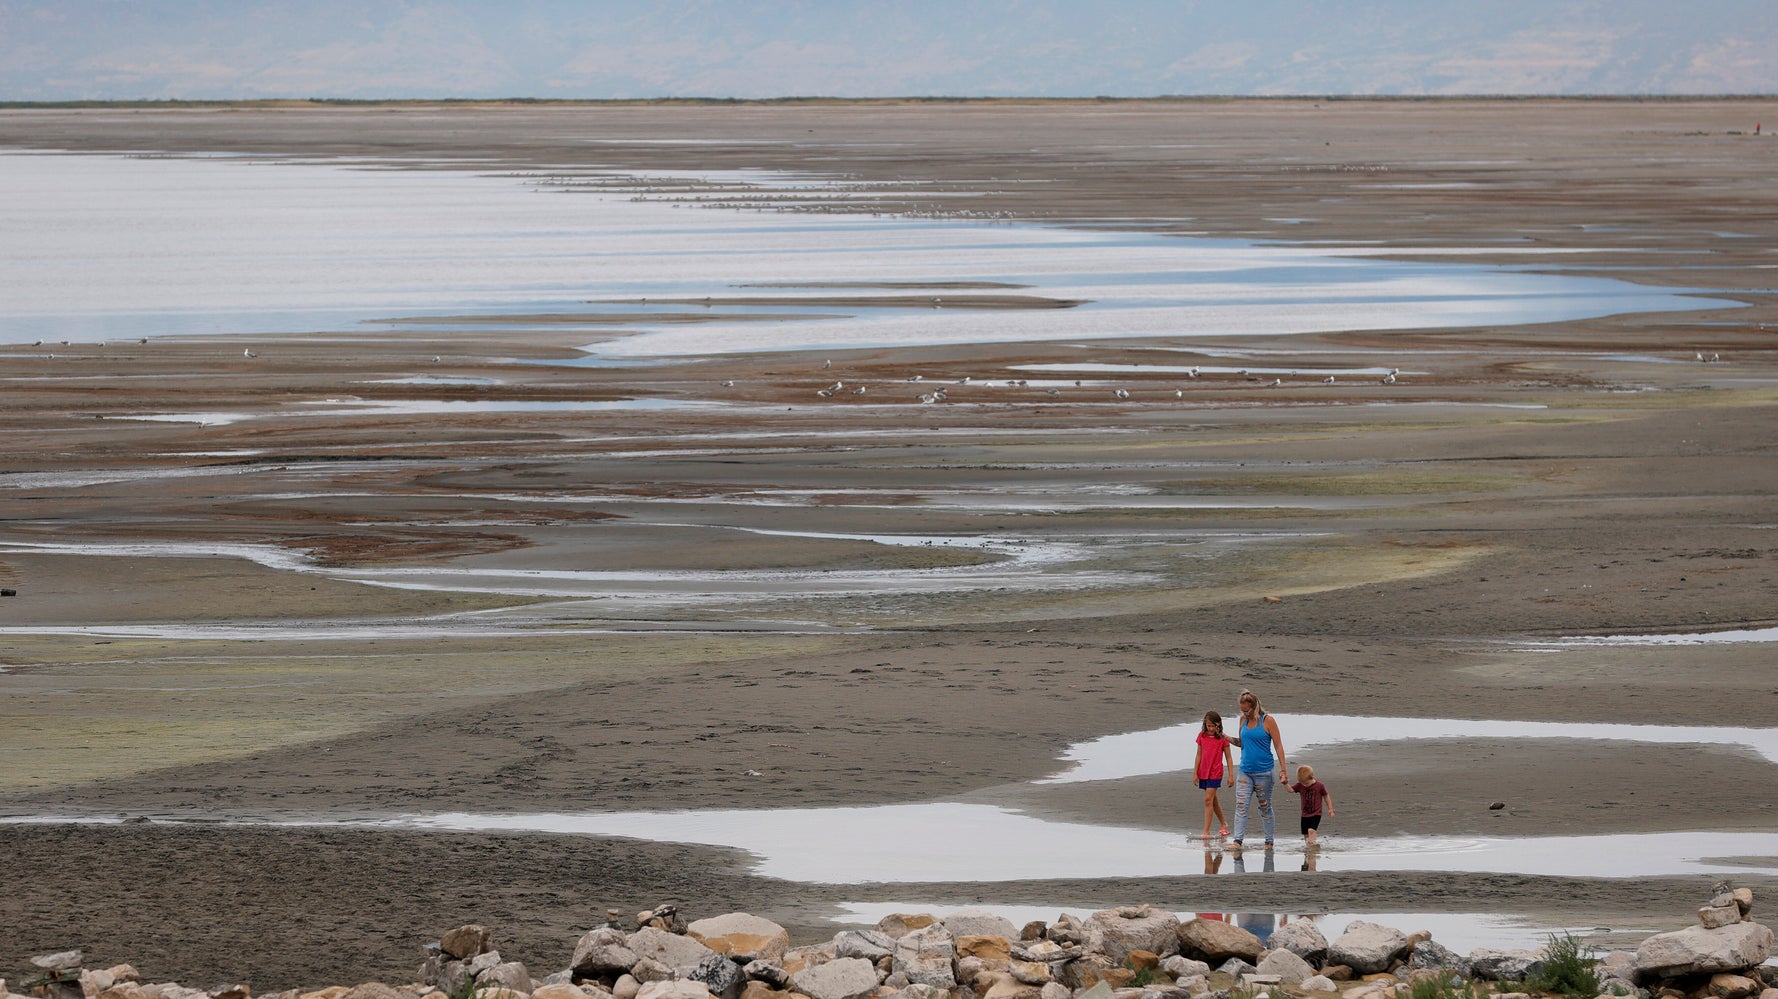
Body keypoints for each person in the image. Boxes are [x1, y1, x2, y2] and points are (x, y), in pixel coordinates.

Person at [1231, 688, 1288, 848]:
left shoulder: (1267, 720)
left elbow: (1278, 745)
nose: (1245, 713)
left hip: (1264, 772)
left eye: (1247, 710)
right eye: (1242, 710)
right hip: (1245, 771)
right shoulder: (1242, 721)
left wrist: (1283, 770)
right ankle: (1237, 841)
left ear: (1254, 706)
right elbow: (1242, 743)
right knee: (1241, 806)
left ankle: (1269, 842)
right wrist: (1225, 737)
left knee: (1265, 807)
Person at [1193, 710, 1235, 840]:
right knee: (1212, 799)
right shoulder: (1202, 736)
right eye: (1208, 726)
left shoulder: (1222, 738)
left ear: (1218, 725)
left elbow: (1228, 757)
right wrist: (1195, 772)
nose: (1210, 729)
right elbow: (1199, 754)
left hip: (1215, 772)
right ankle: (1223, 823)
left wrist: (1231, 775)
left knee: (1207, 799)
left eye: (1212, 726)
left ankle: (1206, 831)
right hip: (1203, 772)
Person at [1290, 764, 1334, 845]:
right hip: (1304, 814)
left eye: (1306, 783)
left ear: (1312, 777)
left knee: (1311, 830)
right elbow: (1290, 790)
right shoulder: (1300, 785)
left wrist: (1330, 809)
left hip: (1316, 813)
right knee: (1306, 834)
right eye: (1302, 783)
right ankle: (1309, 850)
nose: (1304, 785)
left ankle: (1312, 848)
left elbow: (1326, 796)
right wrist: (1285, 783)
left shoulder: (1319, 786)